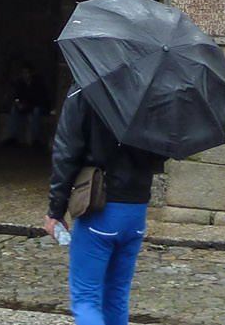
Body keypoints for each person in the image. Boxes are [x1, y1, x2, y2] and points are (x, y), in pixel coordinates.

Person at [45, 88, 167, 325]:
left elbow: (66, 153)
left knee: (85, 297)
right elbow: (161, 153)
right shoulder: (151, 91)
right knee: (117, 296)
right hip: (136, 209)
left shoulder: (84, 89)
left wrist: (55, 210)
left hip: (100, 205)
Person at [5, 61, 48, 148]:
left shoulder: (38, 83)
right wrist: (18, 103)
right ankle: (13, 137)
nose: (25, 75)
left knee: (36, 111)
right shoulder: (20, 83)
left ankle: (36, 139)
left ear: (31, 73)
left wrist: (27, 105)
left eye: (26, 73)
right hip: (25, 106)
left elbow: (40, 99)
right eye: (23, 73)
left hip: (37, 106)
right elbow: (16, 96)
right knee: (14, 109)